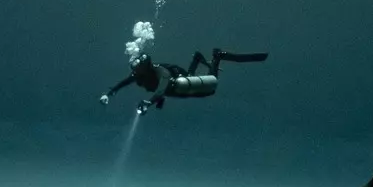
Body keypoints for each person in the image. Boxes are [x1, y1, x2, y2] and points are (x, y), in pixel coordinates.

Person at [100, 48, 268, 112]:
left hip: (180, 81)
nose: (134, 72)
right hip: (179, 88)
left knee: (212, 82)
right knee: (194, 80)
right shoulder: (137, 75)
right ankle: (199, 57)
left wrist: (150, 103)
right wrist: (109, 93)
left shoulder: (160, 72)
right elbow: (123, 83)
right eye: (134, 68)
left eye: (137, 68)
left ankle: (218, 56)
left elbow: (162, 87)